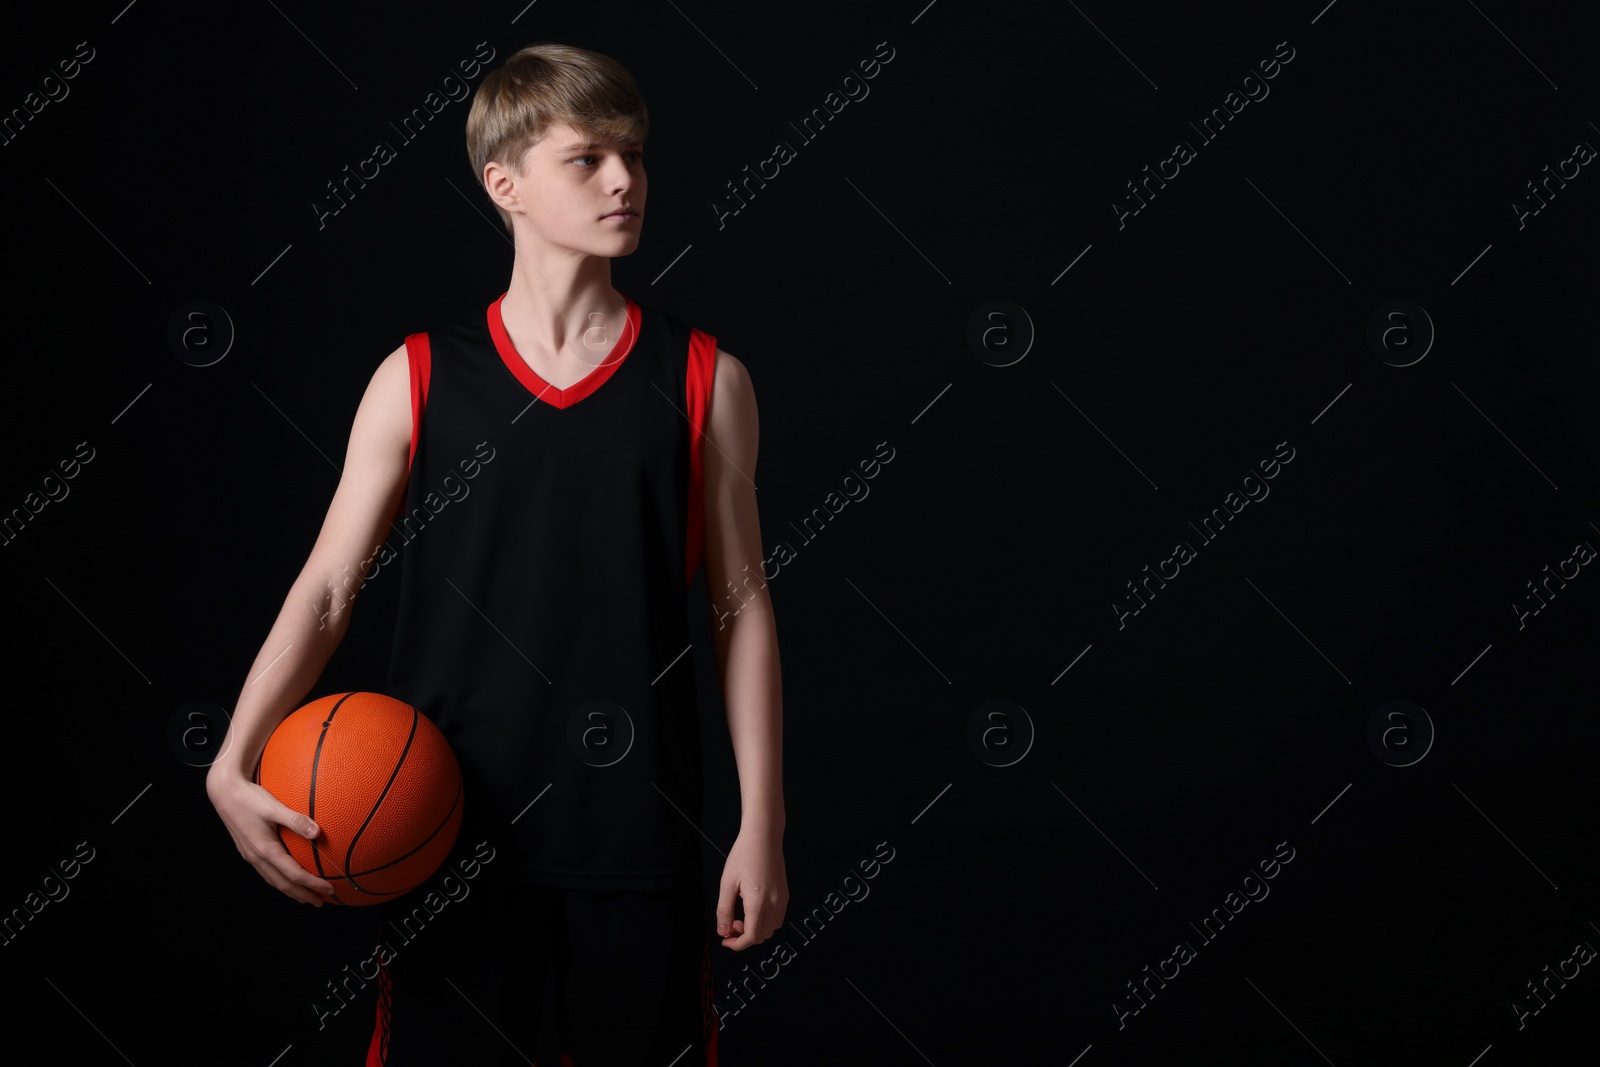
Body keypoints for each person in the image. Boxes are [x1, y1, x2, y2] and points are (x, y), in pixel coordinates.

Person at [206, 40, 787, 1065]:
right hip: (443, 834)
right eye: (589, 157)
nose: (625, 180)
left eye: (636, 155)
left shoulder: (705, 379)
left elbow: (740, 611)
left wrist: (762, 822)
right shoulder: (419, 377)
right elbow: (328, 587)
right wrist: (231, 756)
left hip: (636, 836)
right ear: (503, 183)